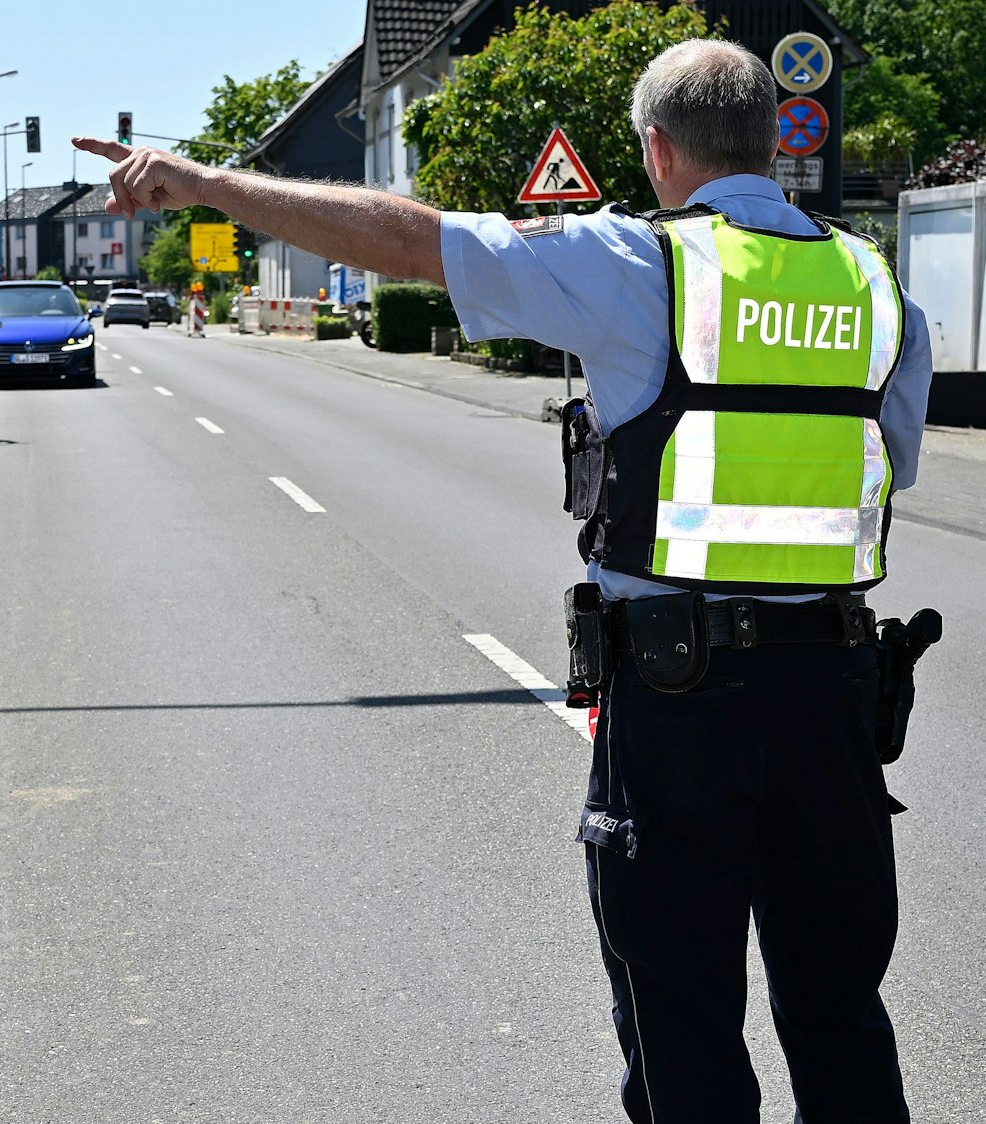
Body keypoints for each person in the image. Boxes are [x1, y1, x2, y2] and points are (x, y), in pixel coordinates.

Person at [75, 38, 931, 1124]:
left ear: (658, 151)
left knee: (683, 1018)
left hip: (680, 707)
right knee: (843, 1017)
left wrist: (202, 183)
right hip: (836, 704)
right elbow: (887, 464)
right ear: (773, 138)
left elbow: (414, 239)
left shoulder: (639, 265)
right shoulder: (875, 283)